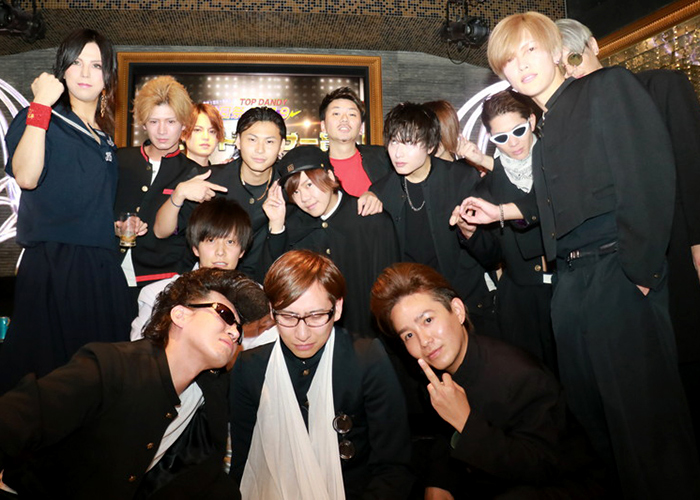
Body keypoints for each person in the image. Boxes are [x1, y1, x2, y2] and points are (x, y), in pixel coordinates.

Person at [458, 12, 700, 498]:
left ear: (556, 52)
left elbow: (649, 174)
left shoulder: (607, 88)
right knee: (596, 428)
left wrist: (640, 273)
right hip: (569, 286)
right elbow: (555, 203)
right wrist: (499, 211)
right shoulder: (546, 125)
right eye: (509, 60)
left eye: (530, 50)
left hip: (617, 274)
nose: (521, 64)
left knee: (647, 431)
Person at [556, 16, 700, 451]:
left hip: (676, 240)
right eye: (562, 66)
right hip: (619, 263)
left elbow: (691, 164)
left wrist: (698, 241)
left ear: (594, 45)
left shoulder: (660, 86)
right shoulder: (568, 117)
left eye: (575, 58)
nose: (573, 71)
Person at [0, 268, 249, 499]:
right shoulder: (112, 367)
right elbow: (15, 417)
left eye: (239, 329)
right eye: (225, 315)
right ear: (180, 315)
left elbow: (206, 477)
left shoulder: (206, 398)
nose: (235, 332)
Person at [370, 262, 606, 499]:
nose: (424, 341)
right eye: (409, 335)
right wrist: (439, 482)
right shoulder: (434, 377)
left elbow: (542, 467)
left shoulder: (521, 377)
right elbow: (446, 439)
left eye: (428, 320)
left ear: (458, 311)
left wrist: (465, 421)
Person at [0, 29, 133, 394]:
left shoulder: (105, 138)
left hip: (101, 266)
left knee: (100, 379)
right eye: (76, 63)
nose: (86, 73)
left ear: (108, 77)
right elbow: (27, 176)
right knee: (47, 379)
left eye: (97, 65)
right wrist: (41, 103)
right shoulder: (42, 117)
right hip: (54, 262)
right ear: (62, 70)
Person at [230, 250, 413, 499]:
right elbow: (244, 465)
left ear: (337, 308)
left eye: (316, 316)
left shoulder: (367, 360)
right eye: (288, 316)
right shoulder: (251, 367)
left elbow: (393, 466)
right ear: (272, 311)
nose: (302, 334)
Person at [370, 102, 497, 336]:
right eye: (394, 142)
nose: (398, 153)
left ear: (430, 146)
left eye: (409, 143)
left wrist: (470, 233)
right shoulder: (381, 192)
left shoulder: (461, 179)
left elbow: (493, 254)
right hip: (412, 313)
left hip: (465, 306)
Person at [456, 89, 557, 374]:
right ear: (490, 138)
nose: (513, 143)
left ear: (532, 121)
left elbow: (548, 204)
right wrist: (470, 233)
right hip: (519, 299)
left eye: (519, 131)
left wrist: (489, 164)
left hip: (569, 287)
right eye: (501, 138)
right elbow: (492, 256)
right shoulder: (487, 186)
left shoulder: (559, 161)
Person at [262, 145, 399, 333]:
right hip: (311, 336)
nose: (305, 198)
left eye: (309, 185)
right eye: (295, 191)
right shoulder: (292, 225)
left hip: (367, 336)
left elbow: (392, 291)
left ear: (330, 176)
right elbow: (272, 284)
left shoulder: (370, 218)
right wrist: (276, 226)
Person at [154, 107, 285, 282]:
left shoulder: (289, 187)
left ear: (282, 145)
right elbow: (161, 231)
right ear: (238, 141)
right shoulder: (210, 179)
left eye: (269, 142)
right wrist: (179, 194)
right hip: (206, 282)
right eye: (252, 140)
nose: (260, 150)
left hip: (264, 284)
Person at [114, 75, 207, 291]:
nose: (162, 131)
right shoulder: (120, 160)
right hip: (111, 271)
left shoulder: (193, 173)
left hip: (163, 280)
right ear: (143, 123)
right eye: (154, 121)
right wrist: (115, 226)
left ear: (184, 124)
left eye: (170, 122)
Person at [130, 197, 252, 340]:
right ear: (195, 248)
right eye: (211, 240)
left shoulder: (255, 300)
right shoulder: (157, 294)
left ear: (242, 251)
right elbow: (141, 349)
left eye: (230, 242)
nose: (220, 252)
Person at [319, 86, 389, 214]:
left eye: (352, 114)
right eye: (336, 113)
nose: (344, 119)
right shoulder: (315, 167)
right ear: (323, 126)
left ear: (361, 127)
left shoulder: (384, 157)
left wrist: (377, 194)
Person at [181, 102, 225, 167]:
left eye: (212, 131)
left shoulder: (223, 172)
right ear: (183, 134)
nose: (206, 137)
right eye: (197, 130)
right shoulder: (171, 172)